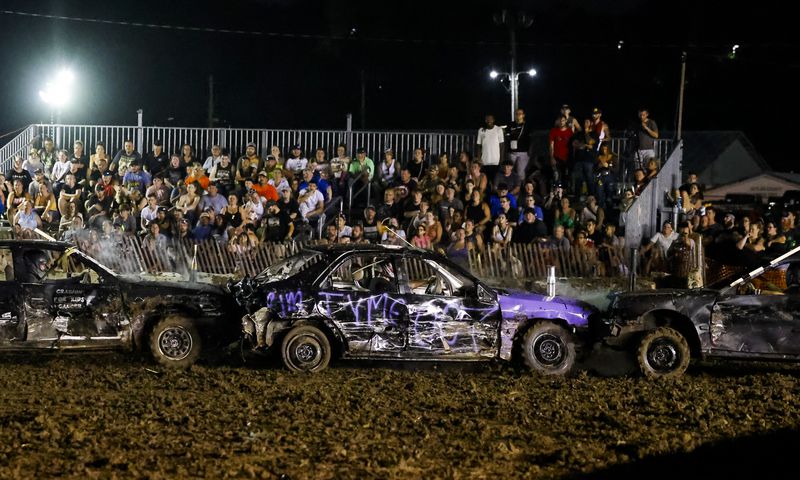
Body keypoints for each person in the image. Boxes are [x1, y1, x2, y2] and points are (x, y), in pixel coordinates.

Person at [506, 108, 532, 182]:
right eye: (516, 114)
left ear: (523, 115)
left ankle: (522, 188)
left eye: (520, 114)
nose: (518, 115)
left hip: (523, 152)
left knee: (520, 172)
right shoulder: (511, 125)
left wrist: (530, 151)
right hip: (512, 152)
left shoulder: (527, 125)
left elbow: (531, 139)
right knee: (509, 171)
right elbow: (507, 138)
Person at [476, 114, 504, 180]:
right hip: (485, 161)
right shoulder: (481, 130)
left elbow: (502, 146)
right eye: (487, 119)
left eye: (490, 119)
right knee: (485, 179)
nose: (489, 120)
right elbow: (479, 146)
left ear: (493, 120)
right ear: (485, 120)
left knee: (495, 179)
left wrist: (501, 159)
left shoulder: (498, 129)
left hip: (496, 161)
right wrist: (479, 159)